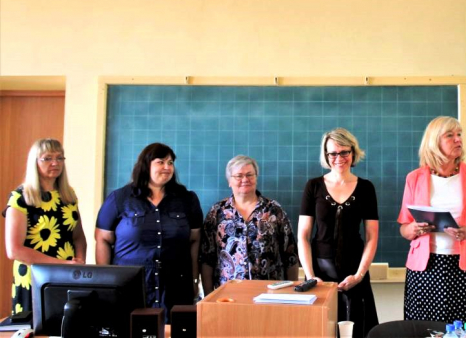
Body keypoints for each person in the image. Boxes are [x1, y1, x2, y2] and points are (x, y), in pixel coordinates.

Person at [398, 117, 466, 335]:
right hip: (425, 269)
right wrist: (413, 229)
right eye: (450, 135)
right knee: (424, 330)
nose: (458, 139)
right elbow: (404, 228)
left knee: (464, 330)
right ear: (434, 142)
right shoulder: (414, 178)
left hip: (463, 268)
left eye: (459, 134)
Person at [95, 143, 203, 323]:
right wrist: (105, 283)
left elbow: (195, 241)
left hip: (175, 288)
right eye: (161, 162)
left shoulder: (187, 199)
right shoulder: (119, 198)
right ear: (146, 165)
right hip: (130, 287)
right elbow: (102, 239)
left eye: (170, 163)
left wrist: (194, 281)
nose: (167, 167)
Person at [298, 128, 379, 338]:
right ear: (326, 155)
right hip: (319, 275)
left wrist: (359, 276)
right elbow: (303, 236)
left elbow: (372, 237)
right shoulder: (313, 186)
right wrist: (311, 277)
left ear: (353, 152)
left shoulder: (366, 188)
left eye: (344, 152)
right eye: (333, 153)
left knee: (358, 330)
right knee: (321, 331)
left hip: (355, 273)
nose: (339, 158)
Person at [3, 138, 87, 316]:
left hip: (67, 276)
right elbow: (14, 250)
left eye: (60, 158)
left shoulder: (68, 195)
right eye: (47, 158)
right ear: (35, 162)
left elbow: (78, 236)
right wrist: (62, 265)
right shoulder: (21, 197)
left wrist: (79, 264)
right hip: (34, 278)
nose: (55, 163)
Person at [200, 155, 298, 293]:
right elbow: (207, 258)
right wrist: (208, 295)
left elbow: (290, 255)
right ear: (229, 181)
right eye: (239, 176)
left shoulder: (274, 210)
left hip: (270, 293)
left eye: (249, 175)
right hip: (228, 295)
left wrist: (292, 293)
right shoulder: (217, 212)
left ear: (256, 178)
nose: (245, 179)